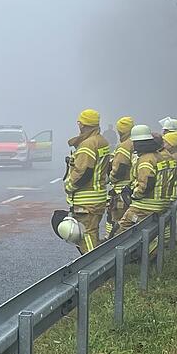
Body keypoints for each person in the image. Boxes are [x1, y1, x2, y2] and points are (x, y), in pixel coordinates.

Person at [63, 109, 110, 254]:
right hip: (98, 196)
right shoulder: (102, 141)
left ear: (82, 124)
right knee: (92, 232)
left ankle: (93, 264)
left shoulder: (88, 145)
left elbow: (84, 173)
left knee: (86, 234)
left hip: (86, 200)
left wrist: (68, 186)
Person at [117, 125, 172, 231]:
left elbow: (146, 185)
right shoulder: (159, 156)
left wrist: (133, 195)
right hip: (161, 203)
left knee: (123, 227)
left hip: (146, 206)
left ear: (138, 143)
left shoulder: (146, 159)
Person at [105, 116, 134, 238]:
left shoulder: (124, 146)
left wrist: (110, 178)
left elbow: (119, 170)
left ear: (120, 131)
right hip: (131, 189)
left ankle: (111, 243)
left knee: (115, 221)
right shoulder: (135, 143)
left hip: (120, 192)